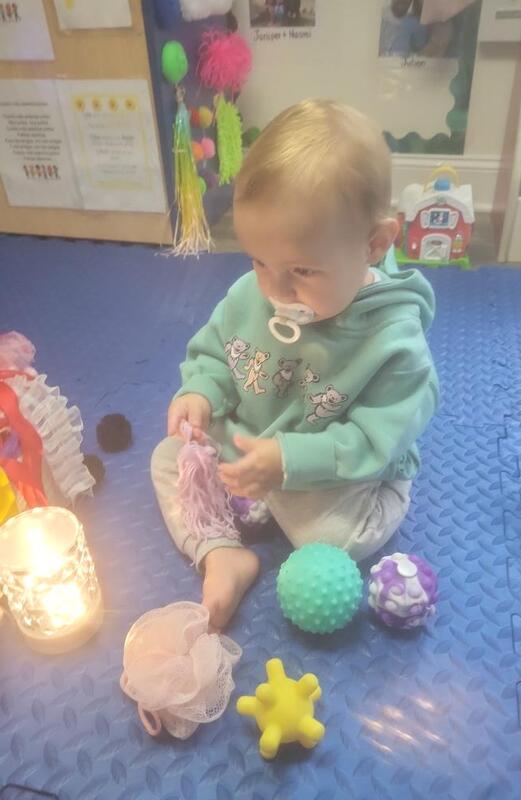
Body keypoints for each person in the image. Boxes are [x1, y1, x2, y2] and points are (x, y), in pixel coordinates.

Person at [151, 99, 439, 630]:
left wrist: (288, 465)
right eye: (258, 261)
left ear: (374, 244)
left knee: (329, 540)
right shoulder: (251, 296)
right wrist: (200, 393)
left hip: (335, 461)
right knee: (171, 457)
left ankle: (368, 499)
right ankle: (222, 553)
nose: (274, 290)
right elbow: (215, 351)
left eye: (302, 270)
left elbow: (375, 440)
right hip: (254, 437)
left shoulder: (395, 343)